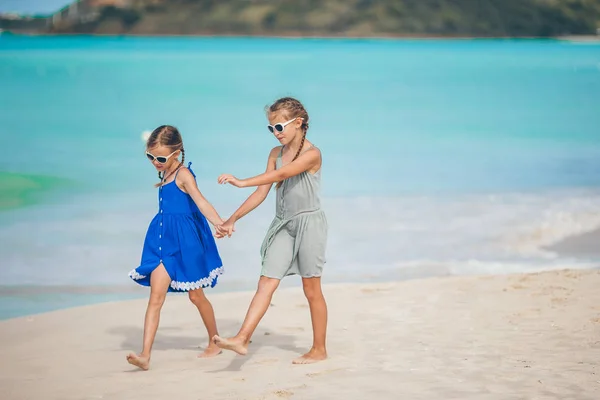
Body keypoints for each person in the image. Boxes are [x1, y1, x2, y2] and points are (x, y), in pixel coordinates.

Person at [213, 97, 328, 364]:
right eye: (271, 128)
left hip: (310, 226)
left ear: (298, 123)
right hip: (284, 225)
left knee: (311, 290)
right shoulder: (275, 154)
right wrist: (232, 219)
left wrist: (241, 182)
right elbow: (262, 191)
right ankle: (242, 338)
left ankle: (319, 349)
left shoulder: (313, 154)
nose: (276, 133)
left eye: (279, 127)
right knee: (266, 281)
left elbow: (279, 176)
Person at [127, 125, 225, 370]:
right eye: (150, 157)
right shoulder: (166, 174)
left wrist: (220, 223)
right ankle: (145, 355)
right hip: (162, 242)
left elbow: (200, 201)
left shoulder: (183, 175)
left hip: (186, 244)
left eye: (160, 158)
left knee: (196, 295)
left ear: (177, 152)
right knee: (155, 298)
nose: (155, 163)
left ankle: (215, 341)